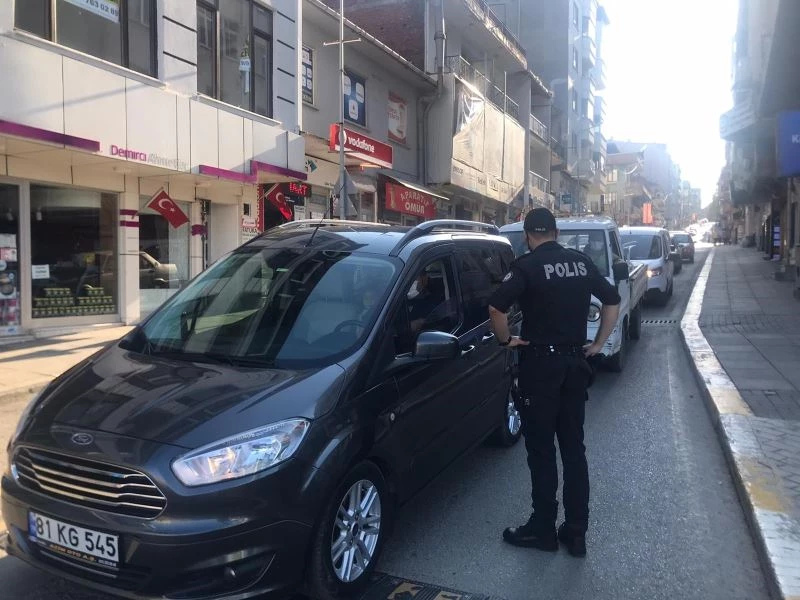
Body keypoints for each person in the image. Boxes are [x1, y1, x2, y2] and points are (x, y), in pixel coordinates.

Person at [487, 207, 621, 557]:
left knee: (542, 450)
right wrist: (598, 344)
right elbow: (612, 300)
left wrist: (506, 340)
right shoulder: (581, 263)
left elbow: (496, 308)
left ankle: (543, 529)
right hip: (575, 364)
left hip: (540, 368)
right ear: (557, 233)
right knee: (574, 450)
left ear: (528, 236)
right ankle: (576, 532)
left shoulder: (527, 266)